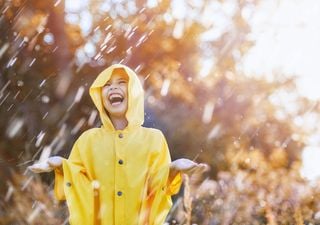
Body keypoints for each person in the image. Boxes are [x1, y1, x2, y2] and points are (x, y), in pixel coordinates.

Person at [28, 64, 207, 225]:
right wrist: (62, 166)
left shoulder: (154, 139)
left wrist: (172, 169)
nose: (113, 87)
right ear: (100, 96)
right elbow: (78, 181)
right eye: (106, 84)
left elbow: (155, 186)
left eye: (121, 82)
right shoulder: (88, 140)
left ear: (134, 92)